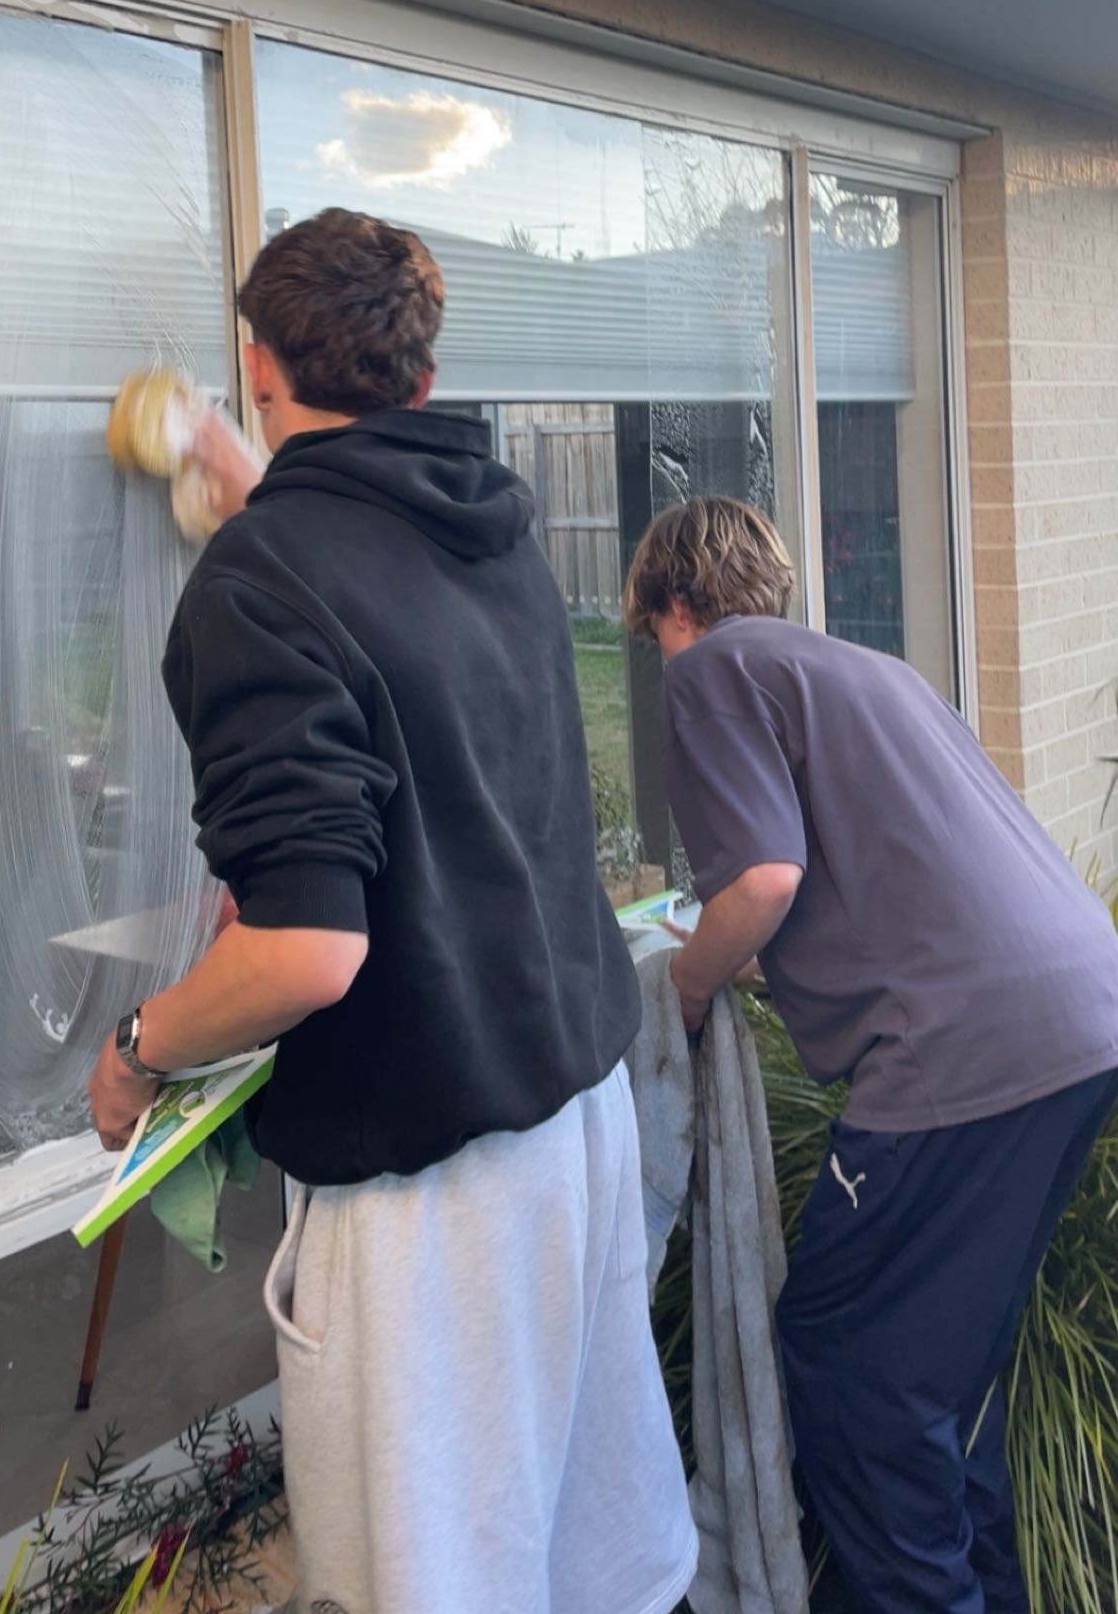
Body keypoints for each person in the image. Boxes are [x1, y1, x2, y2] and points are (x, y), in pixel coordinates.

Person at [89, 207, 696, 1614]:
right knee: (584, 1548)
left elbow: (305, 947)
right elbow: (371, 594)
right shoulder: (489, 533)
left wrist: (138, 1048)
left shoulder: (263, 587)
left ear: (257, 367)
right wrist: (258, 486)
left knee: (438, 1577)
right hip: (573, 1115)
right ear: (422, 381)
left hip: (435, 1197)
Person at [623, 495, 1118, 1614]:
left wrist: (687, 991)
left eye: (649, 635)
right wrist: (736, 956)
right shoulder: (864, 671)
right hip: (1081, 1022)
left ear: (673, 604)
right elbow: (862, 891)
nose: (656, 663)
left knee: (853, 1367)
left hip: (960, 1058)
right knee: (944, 1372)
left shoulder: (714, 670)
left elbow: (761, 882)